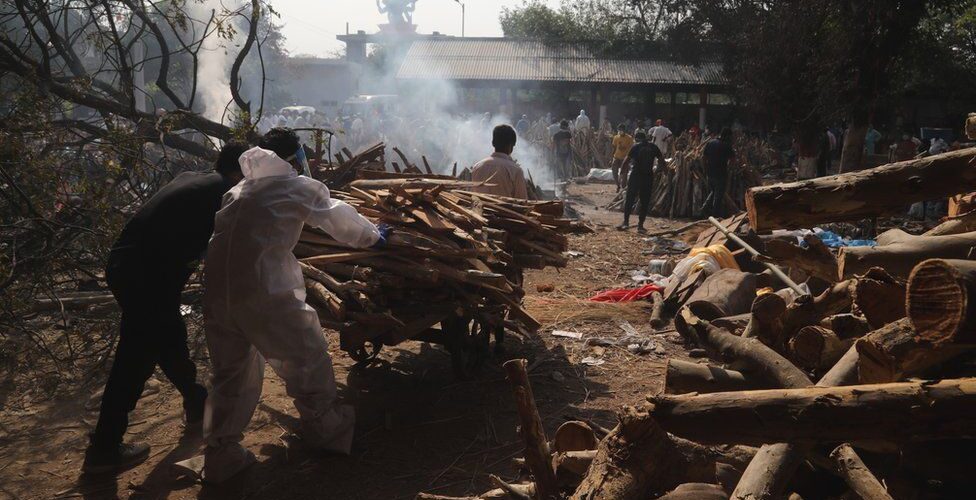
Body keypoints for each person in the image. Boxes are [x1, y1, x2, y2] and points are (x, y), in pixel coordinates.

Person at [201, 128, 386, 483]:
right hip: (264, 291)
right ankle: (327, 433)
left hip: (217, 293)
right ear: (292, 158)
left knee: (230, 374)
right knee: (307, 356)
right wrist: (374, 236)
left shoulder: (237, 191)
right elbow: (337, 216)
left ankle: (220, 454)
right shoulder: (295, 186)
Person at [82, 142, 248, 474]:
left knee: (169, 336)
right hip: (147, 278)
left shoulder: (193, 178)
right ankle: (104, 447)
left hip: (126, 266)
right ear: (240, 171)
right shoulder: (228, 193)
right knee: (136, 358)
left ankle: (196, 400)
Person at [617, 131, 666, 233]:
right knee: (645, 201)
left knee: (630, 199)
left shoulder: (636, 147)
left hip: (636, 176)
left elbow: (626, 160)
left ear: (637, 138)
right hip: (648, 176)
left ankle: (626, 222)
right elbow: (661, 159)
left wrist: (622, 173)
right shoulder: (653, 147)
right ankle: (640, 226)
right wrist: (664, 171)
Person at [470, 125, 528, 199]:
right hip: (506, 210)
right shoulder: (516, 170)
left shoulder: (477, 167)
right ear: (512, 145)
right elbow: (522, 201)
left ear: (493, 143)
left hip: (479, 210)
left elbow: (474, 196)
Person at [703, 128, 736, 218]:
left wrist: (705, 169)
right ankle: (715, 215)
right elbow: (733, 159)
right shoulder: (727, 145)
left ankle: (705, 207)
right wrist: (730, 169)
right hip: (721, 173)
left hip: (710, 173)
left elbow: (704, 157)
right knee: (718, 196)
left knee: (713, 191)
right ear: (728, 136)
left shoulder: (710, 143)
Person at [610, 124, 635, 192]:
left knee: (624, 173)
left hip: (625, 158)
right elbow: (614, 147)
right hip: (616, 157)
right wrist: (611, 157)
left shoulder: (629, 138)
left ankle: (623, 187)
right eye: (619, 130)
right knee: (614, 170)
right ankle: (618, 185)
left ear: (624, 130)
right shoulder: (616, 137)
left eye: (621, 130)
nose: (620, 131)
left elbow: (632, 149)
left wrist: (631, 158)